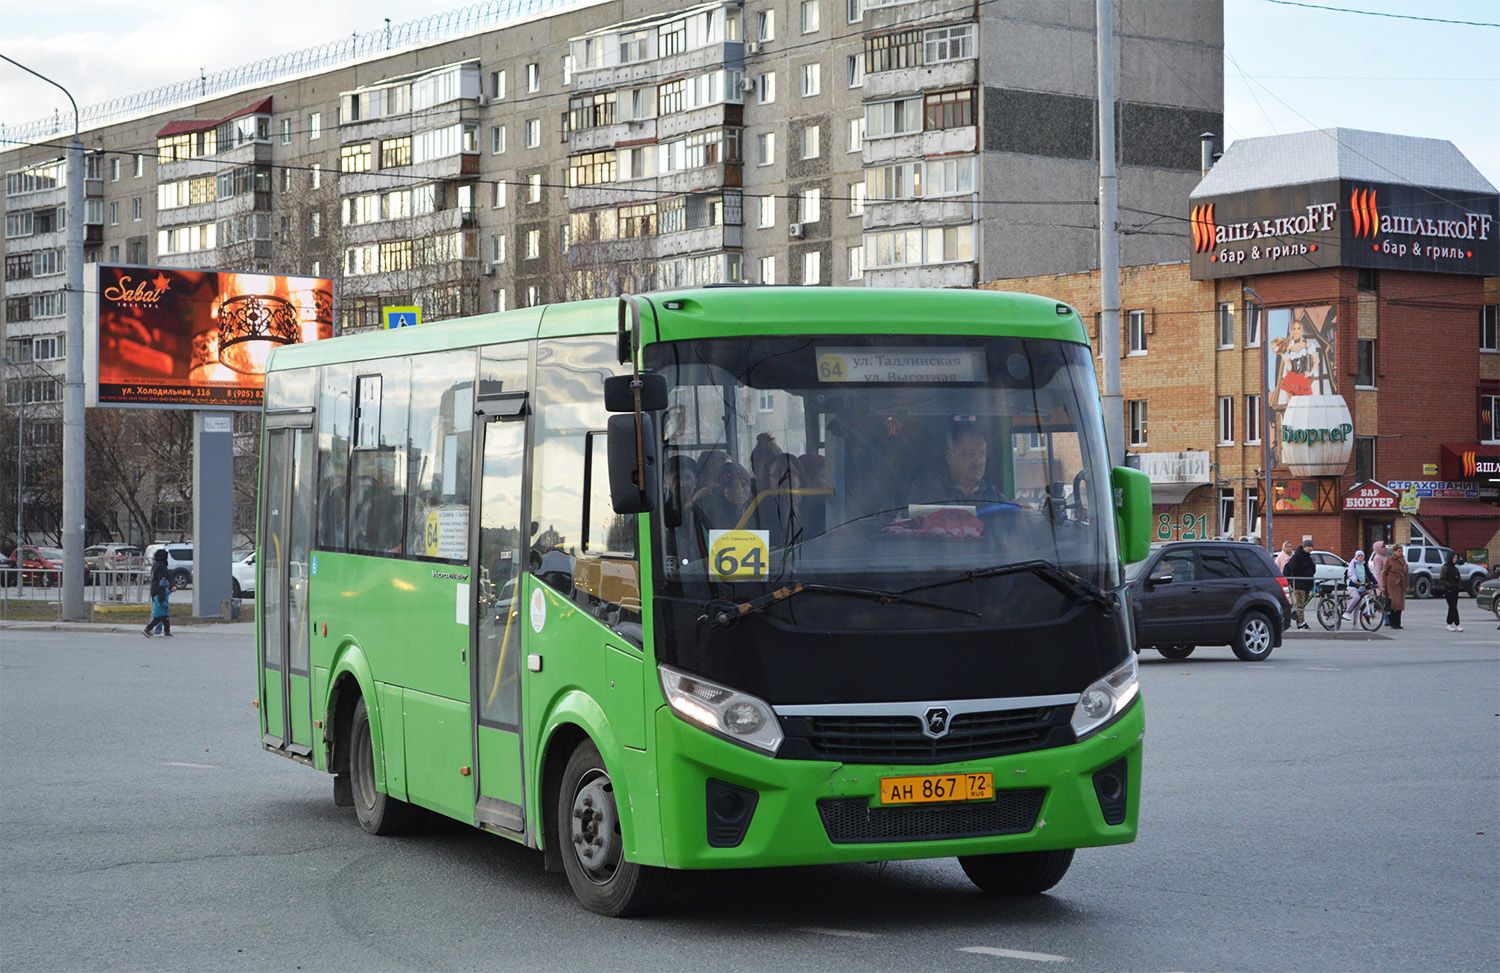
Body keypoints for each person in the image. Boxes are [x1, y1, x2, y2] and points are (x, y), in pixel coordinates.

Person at [907, 423, 1005, 505]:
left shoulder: (994, 495)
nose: (978, 462)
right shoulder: (926, 490)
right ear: (949, 457)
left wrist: (1016, 511)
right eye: (969, 454)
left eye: (982, 454)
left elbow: (1007, 521)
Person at [1283, 539, 1315, 629]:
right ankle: (1301, 623)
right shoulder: (1297, 556)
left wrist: (1312, 567)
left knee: (1302, 603)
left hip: (1307, 584)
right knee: (1300, 604)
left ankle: (1298, 617)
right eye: (1308, 546)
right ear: (1304, 547)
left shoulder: (1309, 558)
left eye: (1311, 546)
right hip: (1299, 584)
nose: (1310, 548)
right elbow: (1294, 568)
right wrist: (1306, 565)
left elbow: (1312, 570)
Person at [142, 548, 174, 638]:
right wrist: (170, 588)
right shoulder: (162, 566)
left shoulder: (155, 565)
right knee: (162, 611)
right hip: (160, 591)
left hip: (154, 590)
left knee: (159, 611)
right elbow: (162, 580)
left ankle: (159, 630)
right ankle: (154, 629)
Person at [1380, 544, 1408, 630]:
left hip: (1400, 583)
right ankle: (1392, 623)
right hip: (1391, 583)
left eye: (1401, 551)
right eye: (1398, 551)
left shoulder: (1404, 561)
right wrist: (1384, 585)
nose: (1400, 553)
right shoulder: (1389, 560)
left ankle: (1398, 623)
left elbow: (1406, 574)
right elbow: (1384, 573)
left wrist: (1406, 585)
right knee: (1393, 603)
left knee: (1400, 604)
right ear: (1394, 552)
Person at [1343, 549, 1370, 622]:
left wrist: (1375, 582)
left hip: (1361, 587)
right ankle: (1347, 612)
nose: (1361, 557)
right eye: (1359, 556)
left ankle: (1355, 624)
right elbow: (1351, 572)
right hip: (1352, 586)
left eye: (1362, 556)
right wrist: (1355, 581)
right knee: (1356, 597)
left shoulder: (1364, 564)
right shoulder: (1353, 563)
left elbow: (1369, 574)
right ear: (1356, 557)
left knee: (1357, 607)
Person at [1440, 551, 1464, 632]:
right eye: (1454, 558)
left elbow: (1459, 578)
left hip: (1455, 590)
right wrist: (1449, 585)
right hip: (1448, 590)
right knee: (1453, 606)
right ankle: (1458, 624)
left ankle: (1449, 624)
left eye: (1456, 558)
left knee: (1452, 607)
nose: (1455, 560)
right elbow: (1442, 579)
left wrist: (1458, 584)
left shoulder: (1455, 569)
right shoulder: (1445, 568)